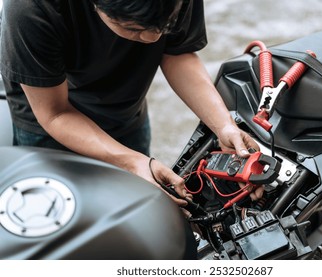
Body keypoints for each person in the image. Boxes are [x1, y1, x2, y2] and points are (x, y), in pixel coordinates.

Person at [0, 0, 262, 205]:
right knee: (65, 217)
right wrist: (132, 161)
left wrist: (223, 125)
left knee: (136, 199)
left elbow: (177, 52)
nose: (153, 40)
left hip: (126, 110)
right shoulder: (31, 8)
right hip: (48, 120)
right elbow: (54, 114)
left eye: (166, 23)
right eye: (134, 28)